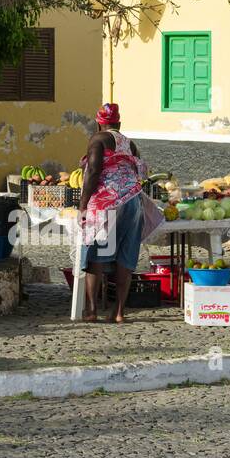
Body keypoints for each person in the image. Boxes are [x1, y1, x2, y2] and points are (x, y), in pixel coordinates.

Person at [78, 102, 147, 324]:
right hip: (134, 201)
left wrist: (83, 205)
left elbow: (94, 171)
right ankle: (118, 312)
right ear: (119, 123)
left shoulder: (98, 140)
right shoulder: (130, 144)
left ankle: (91, 310)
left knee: (96, 252)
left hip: (108, 202)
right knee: (126, 255)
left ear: (99, 123)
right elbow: (140, 170)